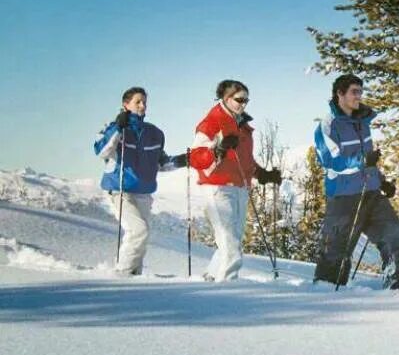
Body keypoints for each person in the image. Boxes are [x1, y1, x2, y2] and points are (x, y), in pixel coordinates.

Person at [311, 74, 399, 290]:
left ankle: (398, 284)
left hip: (371, 192)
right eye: (354, 92)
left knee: (393, 234)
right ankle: (325, 291)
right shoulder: (328, 125)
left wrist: (381, 181)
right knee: (337, 248)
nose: (359, 96)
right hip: (343, 197)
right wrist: (361, 161)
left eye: (360, 91)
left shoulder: (361, 122)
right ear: (340, 94)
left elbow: (367, 158)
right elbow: (330, 161)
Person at [188, 80, 281, 281]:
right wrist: (218, 149)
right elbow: (196, 158)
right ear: (226, 98)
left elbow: (245, 159)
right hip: (217, 186)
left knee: (233, 238)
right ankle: (228, 284)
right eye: (240, 100)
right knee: (228, 239)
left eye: (247, 100)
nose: (244, 104)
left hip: (240, 187)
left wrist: (263, 174)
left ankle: (212, 276)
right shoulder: (212, 122)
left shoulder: (242, 125)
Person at [93, 86, 188, 275]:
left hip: (144, 192)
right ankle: (121, 274)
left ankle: (135, 277)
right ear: (125, 104)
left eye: (144, 102)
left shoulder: (154, 133)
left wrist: (182, 161)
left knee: (141, 238)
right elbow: (101, 151)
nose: (142, 105)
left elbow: (161, 163)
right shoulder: (112, 128)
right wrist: (119, 127)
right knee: (138, 231)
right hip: (119, 190)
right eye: (138, 102)